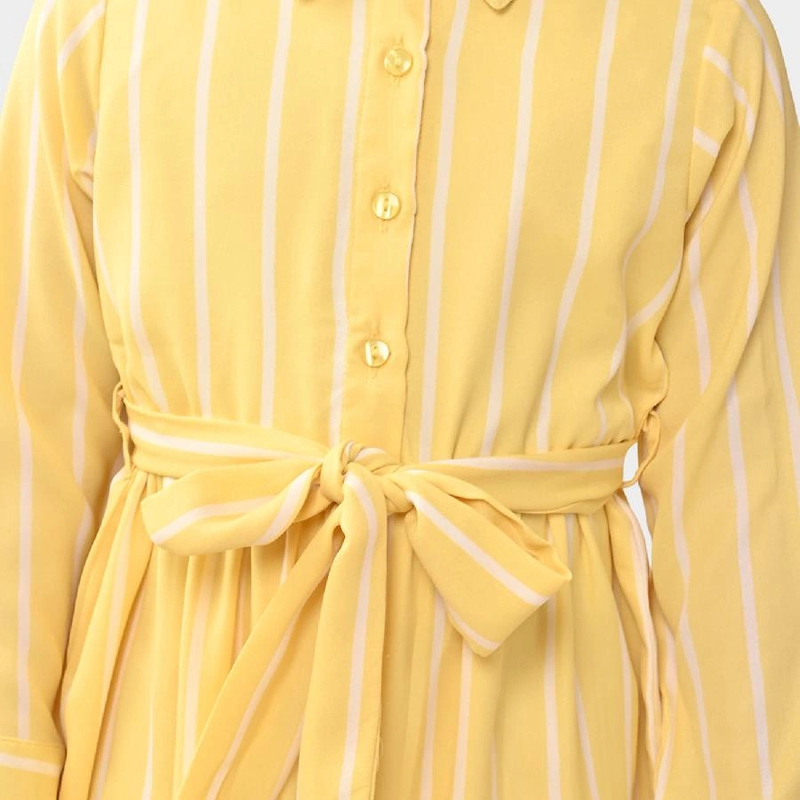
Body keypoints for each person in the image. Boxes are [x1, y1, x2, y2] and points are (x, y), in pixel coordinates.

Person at [0, 0, 798, 796]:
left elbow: (740, 507)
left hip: (532, 733)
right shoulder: (103, 25)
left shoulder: (702, 41)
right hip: (165, 732)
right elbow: (27, 450)